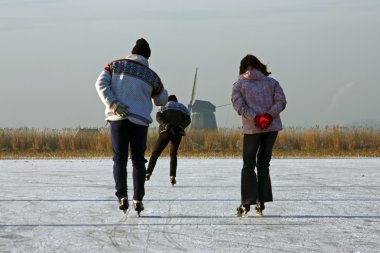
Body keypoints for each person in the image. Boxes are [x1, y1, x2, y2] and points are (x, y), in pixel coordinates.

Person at [95, 38, 168, 216]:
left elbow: (100, 84)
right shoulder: (151, 75)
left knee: (119, 158)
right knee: (138, 160)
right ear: (147, 57)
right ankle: (138, 199)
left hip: (118, 118)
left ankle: (122, 196)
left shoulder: (114, 65)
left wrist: (112, 103)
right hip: (139, 122)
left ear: (132, 52)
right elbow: (161, 99)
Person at [231, 54, 286, 217]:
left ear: (242, 68)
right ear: (260, 66)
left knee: (248, 164)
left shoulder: (239, 84)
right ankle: (261, 202)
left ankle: (247, 202)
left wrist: (256, 117)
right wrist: (268, 116)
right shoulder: (272, 82)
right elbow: (281, 101)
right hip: (271, 128)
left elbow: (239, 105)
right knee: (263, 163)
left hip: (252, 130)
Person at [145, 94, 191, 186]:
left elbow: (158, 117)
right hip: (177, 132)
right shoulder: (183, 107)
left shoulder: (163, 105)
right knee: (173, 154)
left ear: (168, 100)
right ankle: (172, 176)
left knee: (155, 154)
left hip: (165, 132)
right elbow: (188, 119)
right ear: (176, 100)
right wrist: (181, 126)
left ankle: (148, 173)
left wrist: (166, 125)